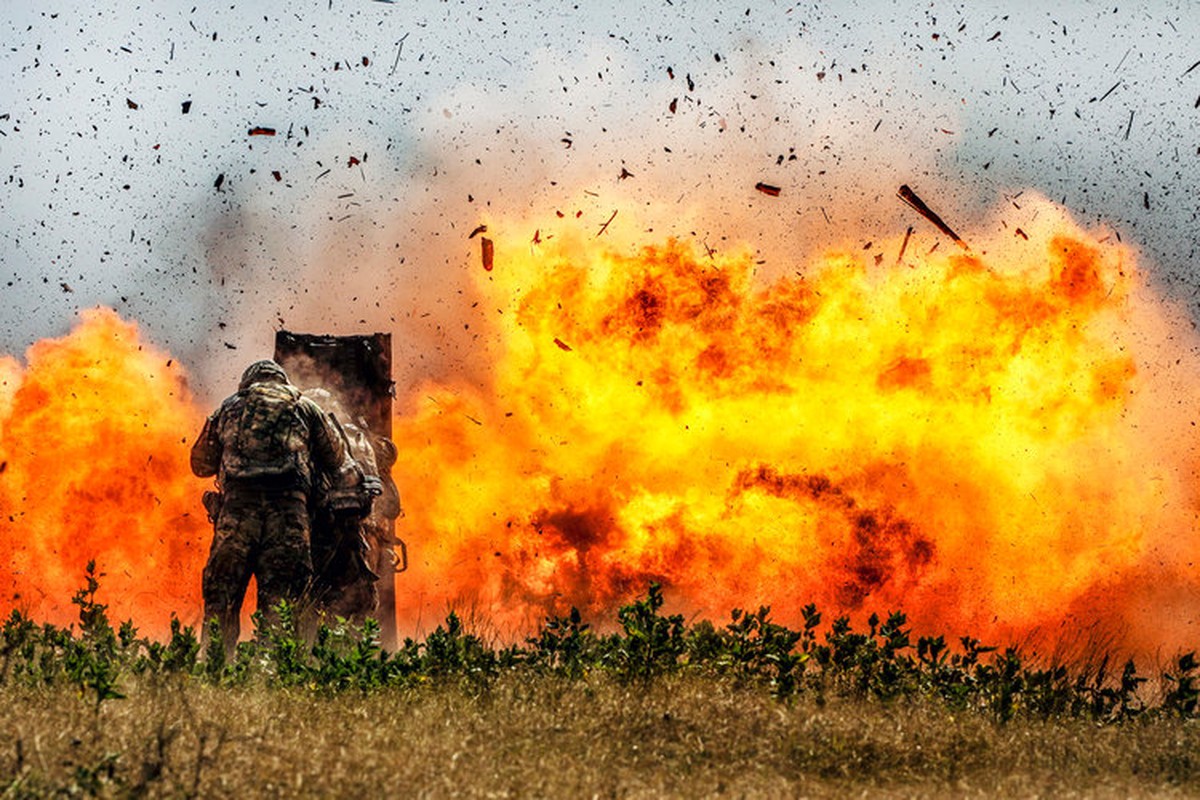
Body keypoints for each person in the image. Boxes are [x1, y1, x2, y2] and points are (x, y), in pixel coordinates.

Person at [190, 359, 346, 658]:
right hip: (288, 514)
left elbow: (200, 464)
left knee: (222, 595)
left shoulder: (228, 407)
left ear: (247, 383)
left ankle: (214, 667)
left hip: (236, 513)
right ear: (282, 381)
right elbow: (335, 457)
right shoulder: (305, 406)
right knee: (283, 603)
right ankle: (273, 672)